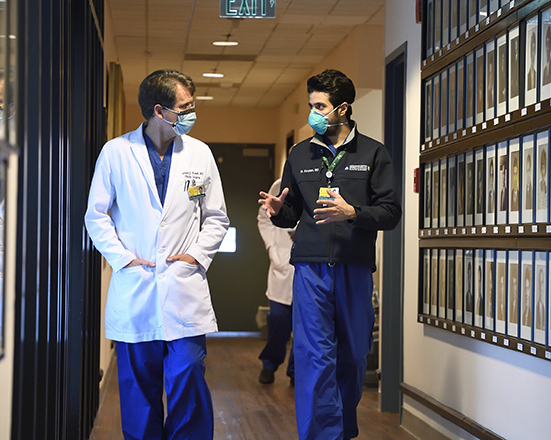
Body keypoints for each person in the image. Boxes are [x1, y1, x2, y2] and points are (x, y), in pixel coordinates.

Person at [85, 69, 229, 439]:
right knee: (139, 388)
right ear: (159, 110)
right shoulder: (116, 152)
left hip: (184, 288)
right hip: (136, 285)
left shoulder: (200, 153)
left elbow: (216, 217)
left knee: (188, 374)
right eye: (186, 107)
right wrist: (124, 258)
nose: (192, 113)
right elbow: (95, 215)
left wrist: (196, 256)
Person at [258, 69, 401, 440]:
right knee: (314, 357)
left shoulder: (373, 153)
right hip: (310, 268)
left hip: (354, 269)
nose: (314, 113)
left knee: (353, 356)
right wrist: (278, 210)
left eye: (320, 106)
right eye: (311, 106)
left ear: (342, 108)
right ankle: (322, 435)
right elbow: (292, 212)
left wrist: (353, 213)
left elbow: (391, 213)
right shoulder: (300, 154)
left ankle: (340, 427)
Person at [257, 178, 296, 385]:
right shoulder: (278, 185)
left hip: (308, 266)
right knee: (278, 320)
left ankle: (295, 373)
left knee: (305, 326)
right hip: (281, 262)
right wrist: (271, 247)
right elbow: (263, 218)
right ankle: (269, 364)